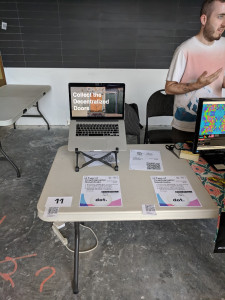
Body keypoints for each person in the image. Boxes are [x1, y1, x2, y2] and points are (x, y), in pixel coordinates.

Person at [165, 0, 225, 143]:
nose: (224, 24)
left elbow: (221, 81)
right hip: (186, 126)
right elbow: (169, 88)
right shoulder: (184, 49)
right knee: (182, 165)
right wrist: (197, 85)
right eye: (220, 16)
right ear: (204, 19)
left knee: (212, 164)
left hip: (214, 122)